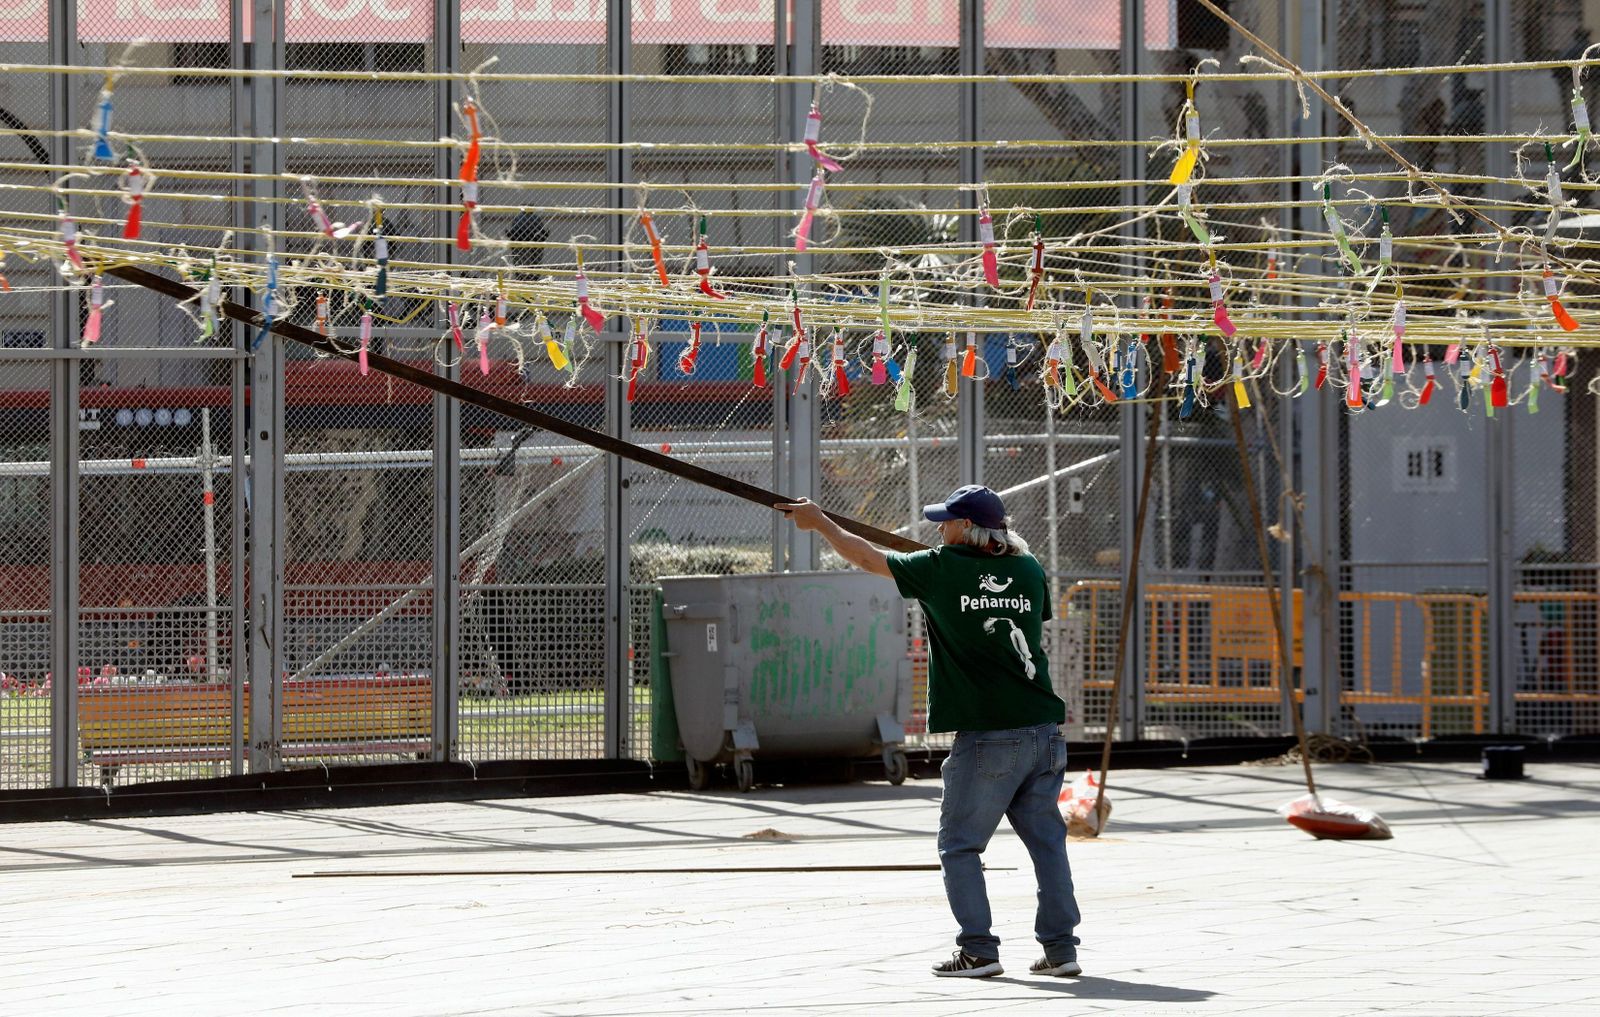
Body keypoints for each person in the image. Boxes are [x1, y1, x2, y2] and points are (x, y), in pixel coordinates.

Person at [778, 484, 1081, 980]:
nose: (939, 529)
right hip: (1043, 729)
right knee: (1047, 843)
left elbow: (868, 558)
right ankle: (1061, 949)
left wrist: (822, 524)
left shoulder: (940, 569)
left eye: (946, 522)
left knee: (959, 845)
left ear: (966, 527)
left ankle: (978, 950)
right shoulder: (1028, 569)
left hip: (987, 734)